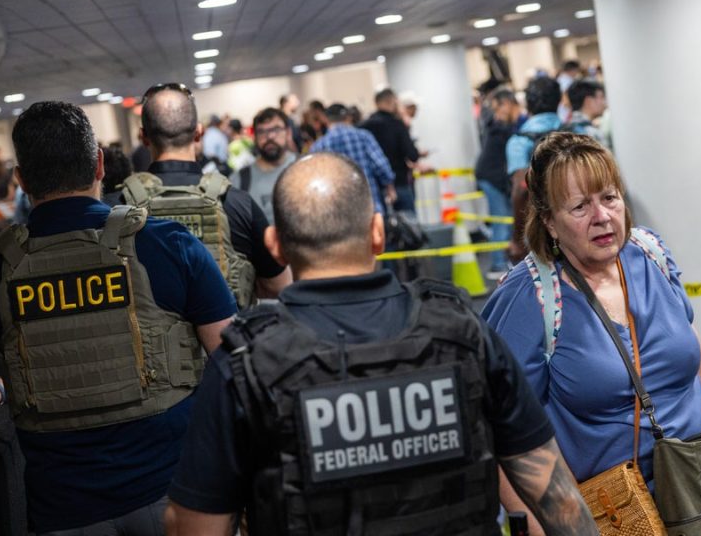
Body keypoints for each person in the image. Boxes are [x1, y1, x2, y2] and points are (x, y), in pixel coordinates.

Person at [164, 152, 597, 536]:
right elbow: (554, 493)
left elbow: (198, 526)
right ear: (377, 233)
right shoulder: (463, 329)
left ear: (275, 245)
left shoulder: (243, 362)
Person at [0, 100, 237, 535]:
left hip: (62, 510)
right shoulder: (170, 245)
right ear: (98, 165)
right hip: (176, 498)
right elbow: (234, 365)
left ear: (21, 180)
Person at [483, 132, 701, 520]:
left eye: (609, 198)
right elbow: (505, 431)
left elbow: (691, 343)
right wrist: (540, 524)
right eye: (580, 206)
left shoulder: (650, 253)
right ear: (549, 221)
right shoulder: (529, 297)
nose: (602, 217)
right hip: (618, 513)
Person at [119, 83, 292, 306]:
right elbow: (278, 285)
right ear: (199, 132)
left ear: (143, 137)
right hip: (229, 340)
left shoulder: (118, 208)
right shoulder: (238, 203)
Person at [505, 77, 562, 263]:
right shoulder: (576, 132)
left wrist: (517, 240)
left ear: (527, 104)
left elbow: (521, 189)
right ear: (559, 100)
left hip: (541, 229)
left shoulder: (519, 141)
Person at [310, 103, 396, 214]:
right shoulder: (364, 136)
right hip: (370, 205)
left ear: (326, 120)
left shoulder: (319, 146)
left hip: (337, 212)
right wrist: (389, 187)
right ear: (348, 117)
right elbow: (380, 165)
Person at [476, 88, 522, 277]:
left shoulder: (494, 125)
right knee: (501, 222)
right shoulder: (501, 128)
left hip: (490, 177)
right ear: (504, 105)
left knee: (503, 220)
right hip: (491, 179)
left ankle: (501, 261)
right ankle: (497, 264)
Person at [360, 88, 423, 213]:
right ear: (392, 101)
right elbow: (412, 155)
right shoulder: (397, 124)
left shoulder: (364, 126)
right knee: (409, 226)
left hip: (376, 188)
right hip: (399, 182)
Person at [235, 107, 298, 223]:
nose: (269, 137)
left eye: (276, 129)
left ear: (288, 133)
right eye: (262, 132)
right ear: (255, 137)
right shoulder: (239, 181)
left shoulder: (306, 168)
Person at [565, 80, 609, 148]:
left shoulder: (564, 131)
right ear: (589, 101)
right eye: (602, 97)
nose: (605, 103)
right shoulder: (594, 134)